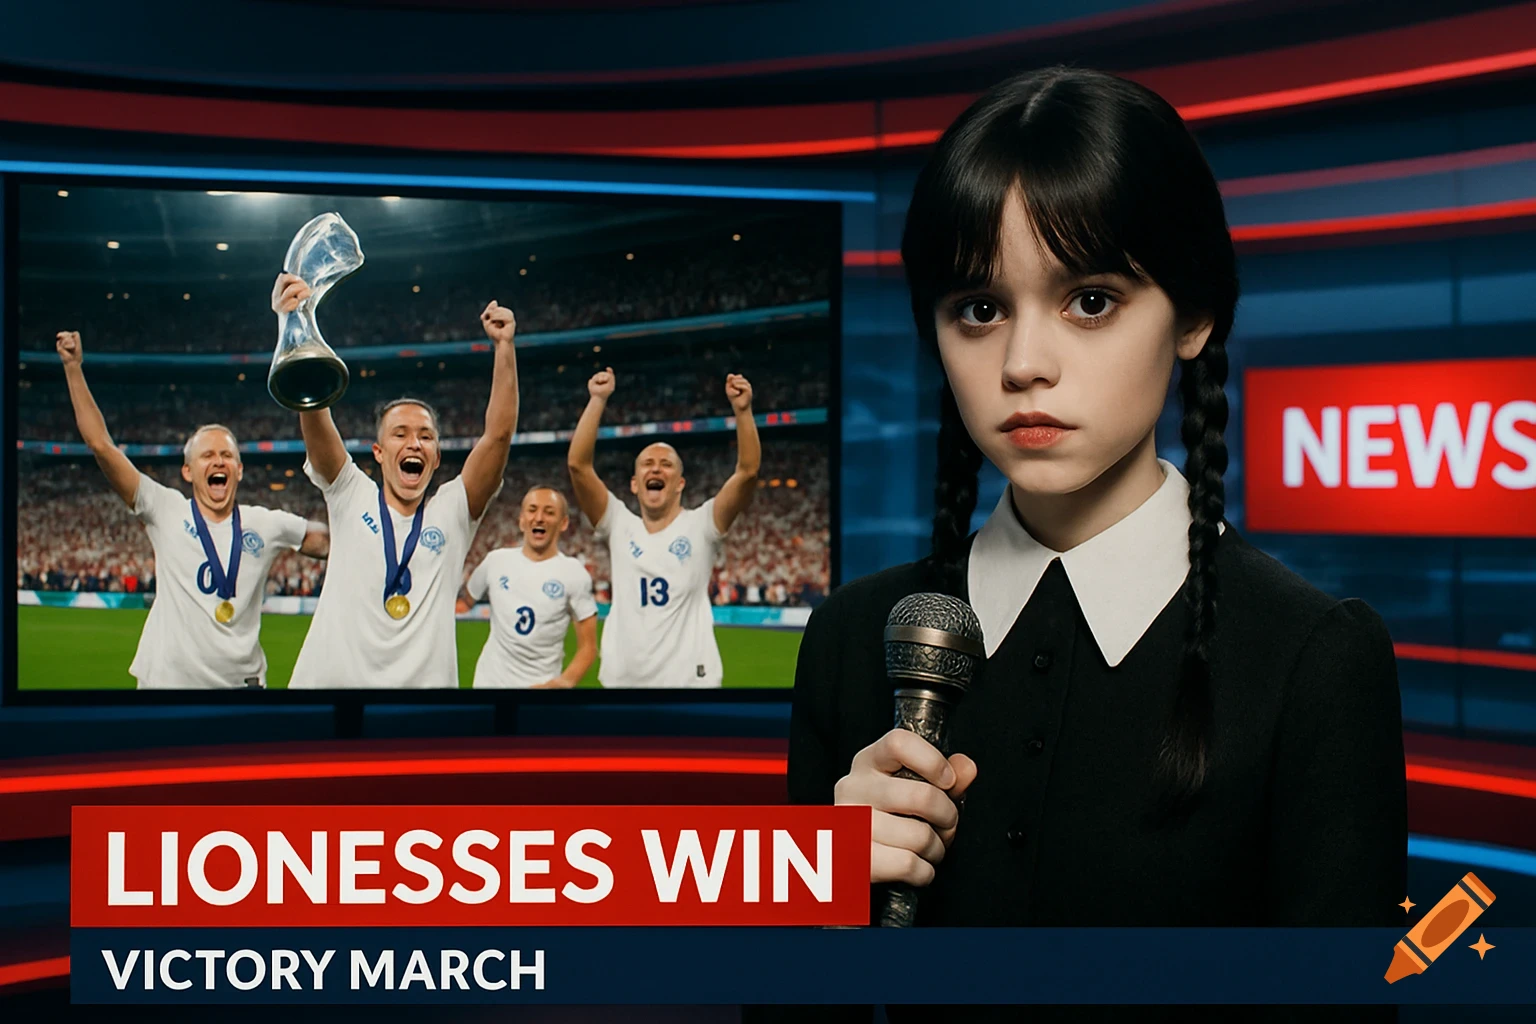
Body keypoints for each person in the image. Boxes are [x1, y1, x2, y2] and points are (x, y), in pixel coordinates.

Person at [781, 67, 1407, 1019]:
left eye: (1091, 300)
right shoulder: (851, 638)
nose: (1024, 363)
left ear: (1195, 313)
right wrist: (815, 906)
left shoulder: (1313, 663)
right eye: (979, 309)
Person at [272, 274, 518, 689]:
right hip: (326, 700)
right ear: (379, 453)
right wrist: (296, 324)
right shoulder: (350, 493)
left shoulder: (453, 510)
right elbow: (314, 410)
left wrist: (505, 348)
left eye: (426, 436)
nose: (414, 443)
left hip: (418, 720)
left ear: (437, 457)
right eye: (400, 434)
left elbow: (497, 437)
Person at [55, 330, 328, 689]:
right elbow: (101, 446)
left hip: (240, 687)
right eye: (208, 455)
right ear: (188, 471)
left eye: (227, 455)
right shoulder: (165, 508)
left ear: (239, 470)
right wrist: (73, 368)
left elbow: (325, 542)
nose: (219, 461)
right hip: (167, 686)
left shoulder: (265, 523)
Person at [567, 367, 759, 688]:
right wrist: (597, 400)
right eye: (647, 463)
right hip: (620, 684)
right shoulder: (618, 523)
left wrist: (743, 411)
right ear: (634, 484)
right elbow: (578, 466)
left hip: (688, 685)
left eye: (666, 464)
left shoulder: (702, 525)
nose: (656, 467)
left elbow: (748, 472)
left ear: (679, 483)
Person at [461, 486, 598, 689]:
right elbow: (464, 602)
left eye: (549, 512)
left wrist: (564, 682)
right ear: (522, 520)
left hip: (540, 692)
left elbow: (588, 647)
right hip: (488, 685)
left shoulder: (573, 573)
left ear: (564, 523)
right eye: (532, 510)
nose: (539, 518)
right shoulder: (495, 561)